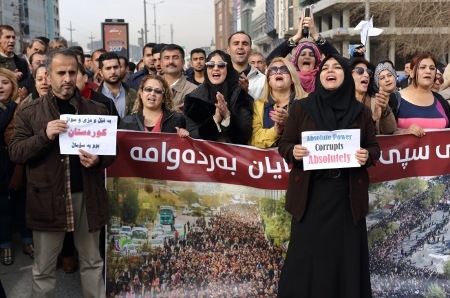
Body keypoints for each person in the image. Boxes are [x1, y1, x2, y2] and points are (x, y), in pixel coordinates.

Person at [9, 48, 115, 298]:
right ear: (47, 75)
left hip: (87, 197)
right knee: (44, 268)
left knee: (92, 263)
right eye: (61, 73)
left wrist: (99, 160)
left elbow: (112, 151)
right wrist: (44, 136)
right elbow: (16, 152)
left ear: (80, 74)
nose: (67, 78)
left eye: (72, 72)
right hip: (47, 198)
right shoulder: (30, 111)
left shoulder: (96, 109)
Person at [277, 54, 379, 297]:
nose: (329, 71)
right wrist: (294, 152)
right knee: (306, 259)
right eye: (325, 68)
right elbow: (285, 144)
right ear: (319, 75)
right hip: (311, 197)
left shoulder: (360, 112)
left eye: (337, 68)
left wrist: (368, 155)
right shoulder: (302, 108)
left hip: (346, 197)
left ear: (345, 76)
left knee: (345, 260)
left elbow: (374, 147)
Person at [183, 50, 253, 144]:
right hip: (205, 156)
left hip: (234, 156)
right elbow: (193, 135)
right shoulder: (193, 99)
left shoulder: (241, 95)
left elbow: (246, 134)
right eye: (211, 65)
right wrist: (215, 120)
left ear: (228, 68)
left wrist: (227, 117)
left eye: (221, 65)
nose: (215, 68)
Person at [0, 68, 31, 266]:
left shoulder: (23, 106)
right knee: (3, 205)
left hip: (16, 161)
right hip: (0, 162)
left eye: (4, 82)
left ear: (13, 85)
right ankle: (6, 245)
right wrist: (13, 104)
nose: (0, 86)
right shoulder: (13, 106)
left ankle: (28, 242)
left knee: (22, 201)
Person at [266, 10, 339, 93]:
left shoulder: (324, 77)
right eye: (303, 54)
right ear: (296, 60)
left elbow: (339, 61)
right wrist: (297, 37)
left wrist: (315, 35)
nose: (307, 57)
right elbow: (270, 61)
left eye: (311, 55)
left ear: (316, 61)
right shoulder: (290, 79)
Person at [249, 57, 307, 148]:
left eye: (284, 69)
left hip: (299, 159)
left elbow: (314, 133)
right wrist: (276, 130)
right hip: (269, 161)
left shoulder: (307, 100)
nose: (278, 72)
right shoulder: (258, 105)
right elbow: (253, 139)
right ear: (269, 81)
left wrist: (289, 123)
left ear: (292, 78)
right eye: (273, 70)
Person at [394, 54, 450, 137]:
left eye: (432, 68)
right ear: (412, 73)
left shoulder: (441, 101)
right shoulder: (395, 99)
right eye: (422, 67)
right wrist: (404, 132)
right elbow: (382, 134)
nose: (428, 71)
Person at [119, 74, 188, 137]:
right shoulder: (127, 122)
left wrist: (185, 137)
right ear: (141, 94)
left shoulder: (177, 119)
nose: (152, 93)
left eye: (158, 91)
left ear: (164, 97)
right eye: (148, 89)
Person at [349, 57, 396, 135]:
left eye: (368, 72)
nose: (366, 74)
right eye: (360, 70)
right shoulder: (340, 102)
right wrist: (372, 118)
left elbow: (390, 130)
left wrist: (385, 110)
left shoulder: (377, 101)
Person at [96, 52, 137, 119]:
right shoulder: (94, 96)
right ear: (101, 72)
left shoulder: (133, 94)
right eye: (108, 68)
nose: (113, 72)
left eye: (116, 67)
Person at [226, 31, 265, 99]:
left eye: (245, 44)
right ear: (228, 50)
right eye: (236, 43)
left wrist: (247, 93)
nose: (240, 47)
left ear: (250, 51)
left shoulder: (263, 81)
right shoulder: (221, 78)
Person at [160, 44, 197, 111]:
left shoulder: (193, 90)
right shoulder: (151, 87)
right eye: (167, 58)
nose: (171, 61)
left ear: (183, 62)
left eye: (175, 57)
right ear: (161, 63)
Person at [372, 63, 398, 134]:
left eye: (389, 75)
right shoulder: (376, 101)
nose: (387, 80)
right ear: (378, 83)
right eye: (382, 78)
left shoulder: (401, 97)